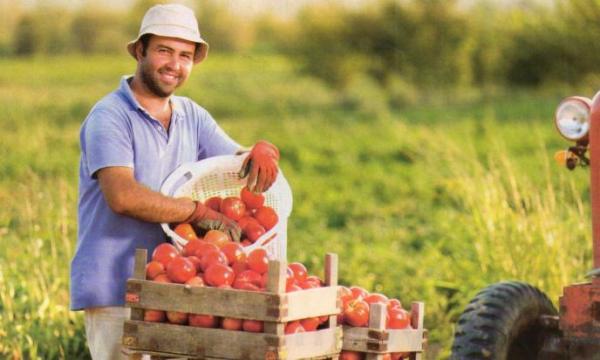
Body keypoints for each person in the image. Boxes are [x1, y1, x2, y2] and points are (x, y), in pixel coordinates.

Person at [69, 4, 280, 359]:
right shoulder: (110, 117)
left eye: (185, 55)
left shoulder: (191, 115)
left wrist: (259, 152)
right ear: (140, 51)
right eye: (164, 51)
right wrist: (196, 213)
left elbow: (235, 165)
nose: (174, 64)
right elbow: (122, 196)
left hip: (176, 285)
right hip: (118, 288)